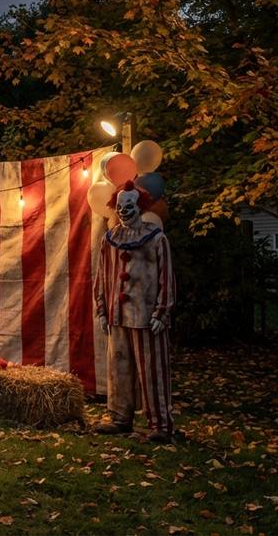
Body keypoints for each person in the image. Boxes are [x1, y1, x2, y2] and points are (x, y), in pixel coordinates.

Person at [93, 181, 176, 443]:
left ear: (139, 206)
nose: (124, 210)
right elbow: (101, 275)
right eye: (120, 206)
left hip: (146, 316)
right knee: (119, 368)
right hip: (118, 316)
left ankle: (160, 423)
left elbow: (167, 277)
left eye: (129, 205)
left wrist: (162, 311)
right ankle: (119, 417)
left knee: (152, 370)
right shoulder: (110, 239)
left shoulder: (156, 239)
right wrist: (103, 309)